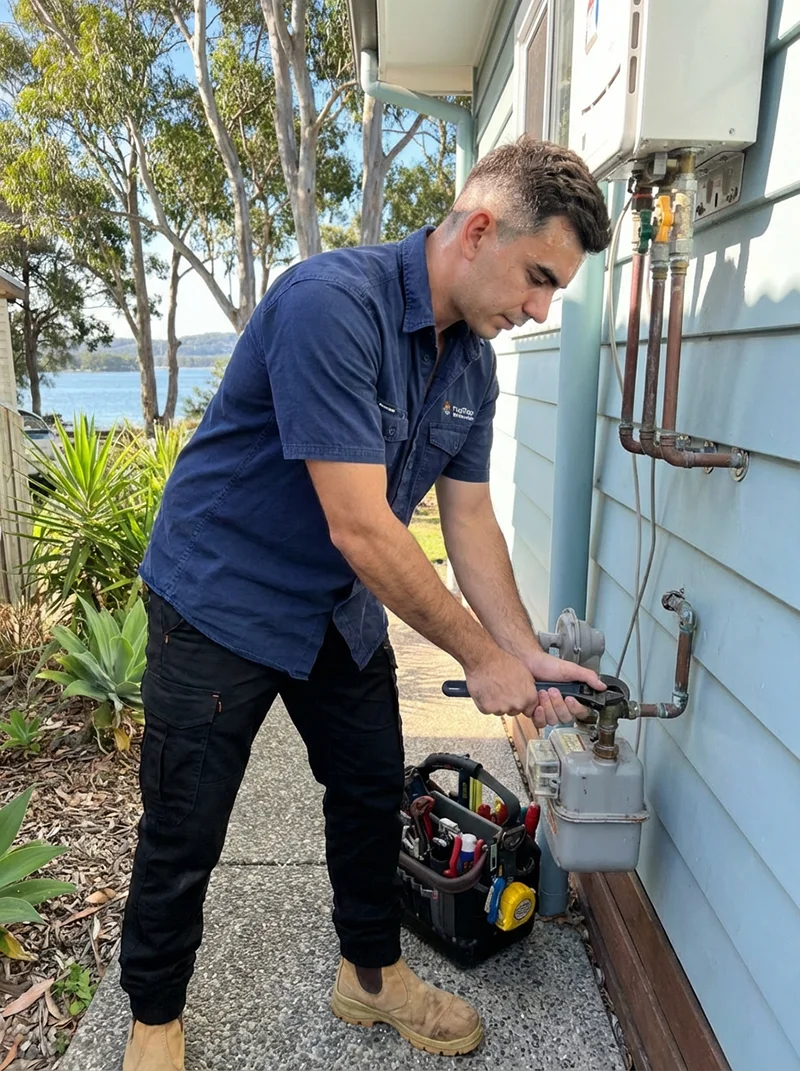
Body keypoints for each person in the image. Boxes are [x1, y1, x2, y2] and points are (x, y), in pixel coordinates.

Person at [120, 136, 611, 1070]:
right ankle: (153, 1020)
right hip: (221, 594)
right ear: (479, 230)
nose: (540, 309)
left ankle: (371, 976)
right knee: (185, 825)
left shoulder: (471, 366)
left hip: (334, 612)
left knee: (371, 792)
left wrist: (522, 651)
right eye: (539, 277)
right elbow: (360, 525)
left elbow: (471, 522)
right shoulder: (331, 305)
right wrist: (478, 656)